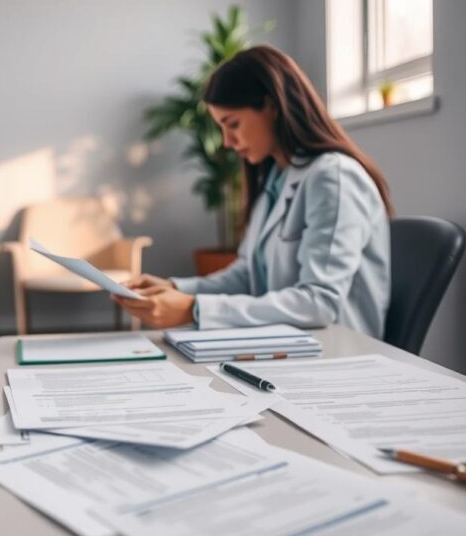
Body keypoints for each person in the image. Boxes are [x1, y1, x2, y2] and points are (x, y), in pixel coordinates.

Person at [113, 45, 392, 338]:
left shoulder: (333, 177)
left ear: (272, 107)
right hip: (286, 345)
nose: (227, 142)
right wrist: (176, 289)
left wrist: (193, 308)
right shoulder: (275, 179)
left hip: (339, 352)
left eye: (232, 124)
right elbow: (248, 275)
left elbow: (319, 302)